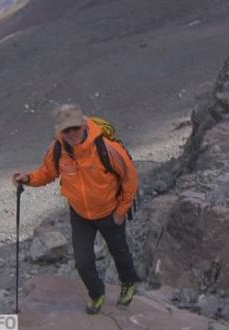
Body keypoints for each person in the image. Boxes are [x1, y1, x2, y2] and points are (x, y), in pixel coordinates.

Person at [12, 103, 140, 315]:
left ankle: (128, 283)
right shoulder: (58, 149)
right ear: (59, 131)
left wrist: (120, 212)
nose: (71, 133)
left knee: (120, 252)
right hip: (80, 214)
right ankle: (97, 293)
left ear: (83, 123)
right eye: (66, 130)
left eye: (75, 128)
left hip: (109, 210)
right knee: (82, 262)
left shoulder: (106, 148)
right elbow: (47, 173)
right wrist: (27, 179)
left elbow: (130, 179)